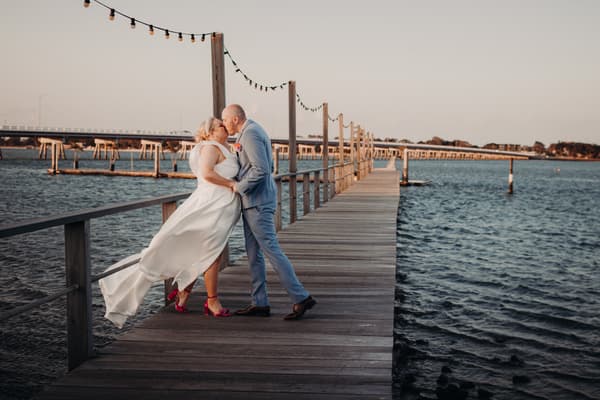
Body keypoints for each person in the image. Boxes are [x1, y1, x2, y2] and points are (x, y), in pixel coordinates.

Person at [99, 117, 240, 328]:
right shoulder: (210, 148)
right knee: (212, 252)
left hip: (220, 208)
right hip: (210, 207)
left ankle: (184, 292)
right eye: (221, 125)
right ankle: (212, 302)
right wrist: (231, 184)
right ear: (210, 132)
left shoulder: (224, 147)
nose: (225, 127)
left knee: (202, 251)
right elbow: (207, 174)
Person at [221, 104, 316, 320]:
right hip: (252, 202)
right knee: (253, 254)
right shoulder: (251, 130)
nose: (225, 125)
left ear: (235, 119)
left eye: (225, 120)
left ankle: (301, 297)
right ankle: (259, 303)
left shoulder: (251, 134)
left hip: (258, 202)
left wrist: (239, 187)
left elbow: (261, 170)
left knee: (271, 250)